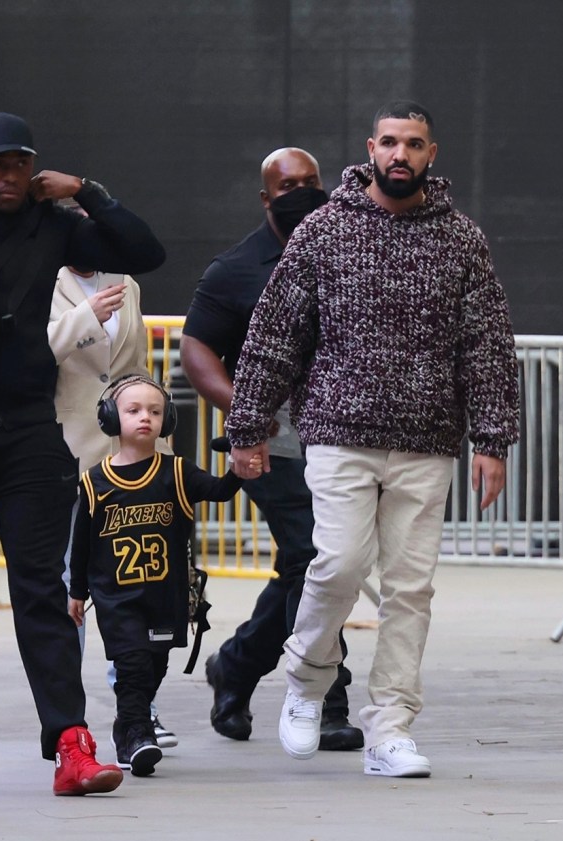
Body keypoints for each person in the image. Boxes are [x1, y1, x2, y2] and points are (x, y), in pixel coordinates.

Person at [225, 101, 520, 778]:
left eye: (413, 144)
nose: (400, 154)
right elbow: (275, 335)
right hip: (338, 432)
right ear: (370, 147)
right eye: (390, 141)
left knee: (411, 588)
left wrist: (494, 438)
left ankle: (391, 727)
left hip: (427, 440)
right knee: (337, 565)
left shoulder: (461, 239)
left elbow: (488, 344)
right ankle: (305, 679)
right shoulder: (323, 231)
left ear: (431, 154)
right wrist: (248, 426)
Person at [0, 113, 165, 795]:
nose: (8, 177)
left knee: (43, 589)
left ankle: (72, 743)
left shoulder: (53, 221)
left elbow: (143, 250)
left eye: (19, 164)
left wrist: (86, 190)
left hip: (30, 433)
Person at [180, 147, 363, 751]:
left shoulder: (351, 246)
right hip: (272, 441)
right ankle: (328, 699)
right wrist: (246, 413)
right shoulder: (235, 268)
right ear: (266, 197)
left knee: (312, 564)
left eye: (312, 182)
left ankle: (236, 665)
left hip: (344, 435)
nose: (303, 191)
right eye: (289, 185)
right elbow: (197, 352)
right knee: (319, 556)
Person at [68, 374, 261, 776]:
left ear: (167, 419)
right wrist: (76, 592)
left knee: (154, 666)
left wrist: (238, 468)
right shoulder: (94, 482)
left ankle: (126, 729)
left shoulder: (177, 472)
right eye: (133, 410)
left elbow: (220, 491)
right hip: (116, 598)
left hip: (164, 594)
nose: (145, 418)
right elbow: (83, 544)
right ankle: (139, 734)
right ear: (109, 418)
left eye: (155, 411)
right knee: (133, 663)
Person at [49, 247, 177, 749]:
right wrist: (87, 316)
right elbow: (40, 349)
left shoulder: (126, 280)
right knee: (70, 584)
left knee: (140, 578)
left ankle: (138, 707)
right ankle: (67, 716)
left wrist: (157, 437)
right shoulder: (46, 277)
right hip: (66, 448)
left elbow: (134, 365)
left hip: (129, 452)